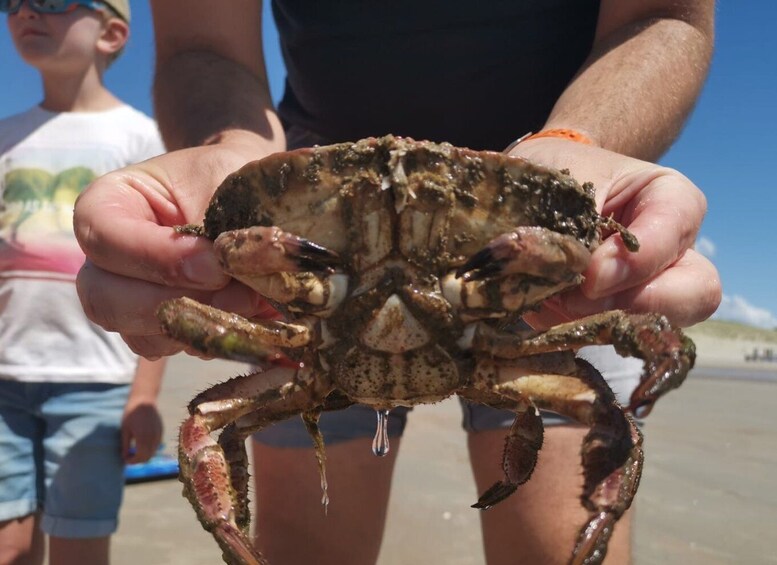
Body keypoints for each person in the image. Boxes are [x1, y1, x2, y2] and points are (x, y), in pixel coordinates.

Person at [73, 1, 722, 564]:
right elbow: (202, 45)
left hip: (542, 264)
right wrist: (226, 155)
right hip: (293, 275)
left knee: (580, 506)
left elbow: (664, 13)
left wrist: (576, 143)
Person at [0, 1, 167, 564]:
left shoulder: (142, 140)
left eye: (49, 1)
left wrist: (143, 397)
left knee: (80, 545)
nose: (26, 11)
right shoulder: (6, 138)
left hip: (97, 384)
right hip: (4, 380)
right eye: (12, 3)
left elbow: (160, 281)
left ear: (113, 32)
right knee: (10, 547)